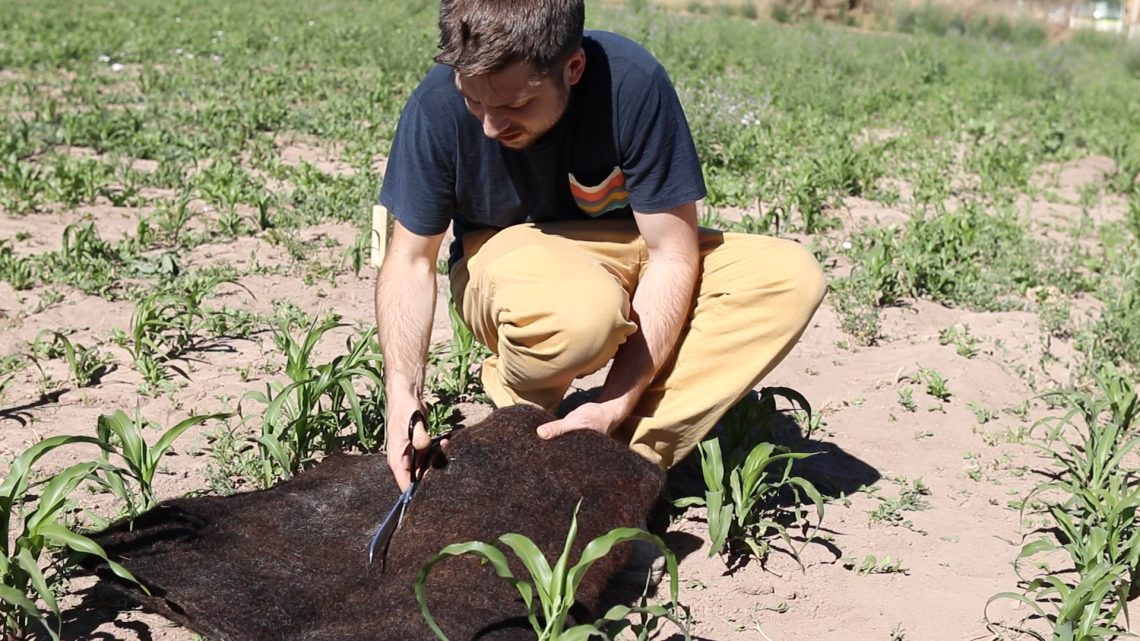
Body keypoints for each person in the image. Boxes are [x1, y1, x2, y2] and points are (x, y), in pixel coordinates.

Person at [375, 0, 826, 493]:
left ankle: (612, 461)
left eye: (514, 105)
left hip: (628, 250)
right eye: (475, 101)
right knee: (581, 314)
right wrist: (401, 390)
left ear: (572, 68)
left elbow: (672, 256)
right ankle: (519, 430)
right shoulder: (435, 107)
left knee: (788, 278)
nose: (489, 125)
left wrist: (611, 403)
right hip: (507, 257)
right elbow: (411, 261)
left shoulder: (631, 84)